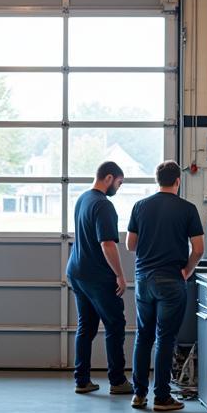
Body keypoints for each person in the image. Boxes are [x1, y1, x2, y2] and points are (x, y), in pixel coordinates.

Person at [126, 160, 204, 412]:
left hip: (144, 280)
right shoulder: (187, 209)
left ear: (157, 180)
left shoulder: (140, 206)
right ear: (178, 181)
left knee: (143, 337)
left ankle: (139, 395)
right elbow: (199, 249)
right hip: (172, 280)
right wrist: (187, 270)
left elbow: (130, 244)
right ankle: (161, 397)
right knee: (165, 339)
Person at [66, 161, 132, 396]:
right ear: (109, 178)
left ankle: (82, 380)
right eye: (119, 183)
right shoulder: (104, 205)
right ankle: (117, 381)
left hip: (77, 271)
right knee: (115, 324)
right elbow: (107, 244)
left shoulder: (83, 198)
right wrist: (120, 276)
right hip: (97, 276)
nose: (118, 188)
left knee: (87, 326)